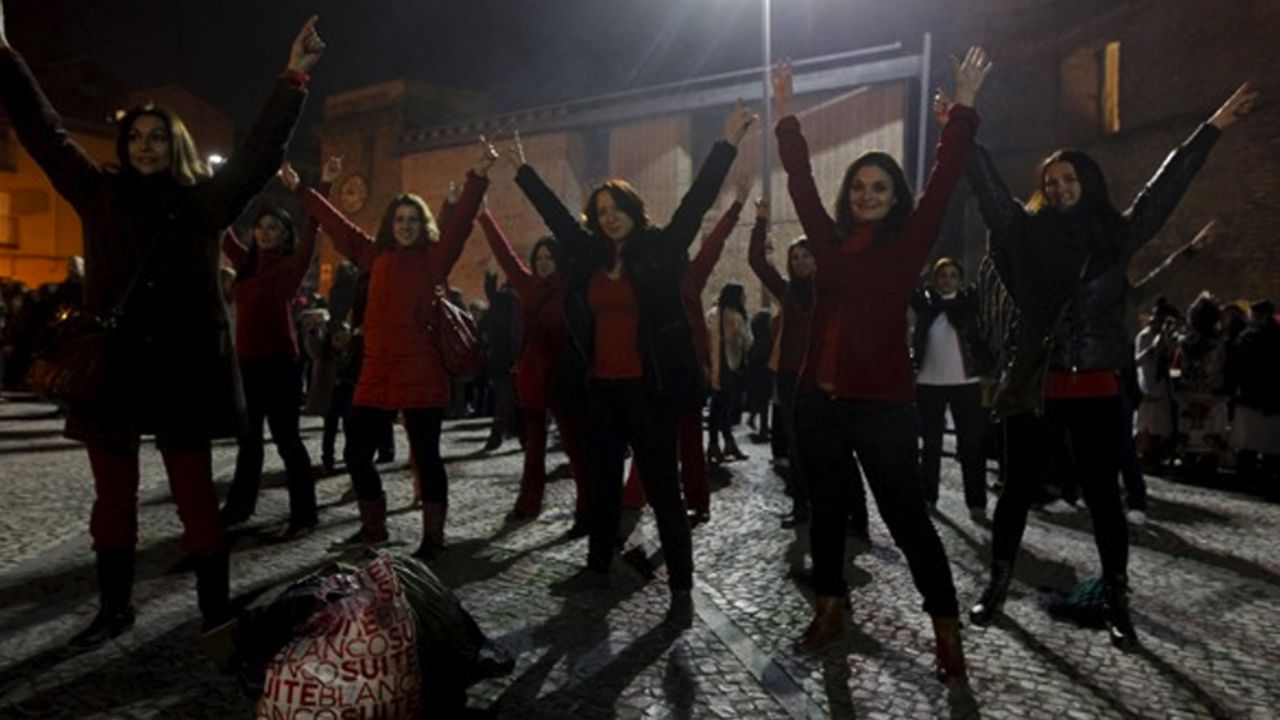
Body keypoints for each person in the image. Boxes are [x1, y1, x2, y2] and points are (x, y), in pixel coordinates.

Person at [0, 8, 324, 646]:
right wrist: (6, 56)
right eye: (137, 136)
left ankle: (214, 609)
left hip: (181, 370)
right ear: (126, 145)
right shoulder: (99, 194)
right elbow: (44, 133)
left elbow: (259, 155)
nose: (145, 144)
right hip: (113, 371)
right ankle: (113, 609)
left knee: (195, 496)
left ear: (173, 145)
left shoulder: (205, 201)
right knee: (112, 502)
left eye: (157, 136)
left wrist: (292, 79)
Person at [963, 77, 1257, 648]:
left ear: (1087, 182)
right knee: (1017, 491)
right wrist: (966, 122)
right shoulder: (1027, 234)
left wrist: (1212, 129)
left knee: (1103, 498)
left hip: (1097, 385)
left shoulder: (1115, 234)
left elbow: (1162, 191)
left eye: (1069, 178)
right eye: (1050, 183)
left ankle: (1118, 597)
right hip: (1040, 386)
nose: (1060, 187)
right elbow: (990, 191)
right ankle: (996, 583)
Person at [771, 48, 990, 680]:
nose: (867, 195)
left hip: (884, 407)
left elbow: (945, 177)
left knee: (908, 521)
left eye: (880, 187)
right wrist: (787, 116)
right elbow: (800, 182)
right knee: (829, 517)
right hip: (818, 403)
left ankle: (945, 630)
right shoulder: (830, 245)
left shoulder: (909, 244)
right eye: (860, 187)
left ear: (895, 198)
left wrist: (966, 107)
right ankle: (831, 608)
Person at [510, 102, 756, 623]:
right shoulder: (591, 257)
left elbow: (696, 202)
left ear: (632, 207)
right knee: (600, 488)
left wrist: (726, 143)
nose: (608, 217)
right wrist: (523, 172)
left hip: (650, 391)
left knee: (663, 491)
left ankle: (682, 593)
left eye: (615, 207)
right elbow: (557, 217)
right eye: (600, 212)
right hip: (602, 390)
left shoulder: (662, 249)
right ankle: (598, 566)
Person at [296, 139, 496, 559]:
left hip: (421, 371)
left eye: (413, 219)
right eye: (399, 219)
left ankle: (433, 539)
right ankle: (375, 528)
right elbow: (336, 226)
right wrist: (308, 189)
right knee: (355, 453)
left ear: (423, 225)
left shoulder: (434, 258)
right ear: (390, 223)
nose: (405, 225)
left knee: (426, 458)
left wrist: (477, 174)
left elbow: (459, 223)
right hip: (377, 372)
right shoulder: (374, 255)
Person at [218, 157, 340, 539]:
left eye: (274, 228)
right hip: (247, 364)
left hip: (280, 364)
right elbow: (220, 228)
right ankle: (240, 506)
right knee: (248, 440)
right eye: (261, 227)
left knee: (287, 439)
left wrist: (324, 184)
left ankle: (304, 512)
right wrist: (216, 184)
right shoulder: (246, 263)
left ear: (285, 236)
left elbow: (313, 227)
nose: (266, 232)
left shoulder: (290, 266)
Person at [619, 186, 746, 527]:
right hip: (652, 366)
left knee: (689, 439)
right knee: (650, 438)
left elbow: (713, 246)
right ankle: (635, 495)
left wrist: (735, 207)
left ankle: (696, 500)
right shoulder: (642, 280)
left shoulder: (692, 277)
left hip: (685, 367)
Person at [476, 210, 591, 532]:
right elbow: (506, 256)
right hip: (532, 377)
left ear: (560, 259)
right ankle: (529, 500)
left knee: (574, 446)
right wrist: (485, 216)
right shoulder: (529, 286)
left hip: (564, 378)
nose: (542, 262)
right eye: (538, 257)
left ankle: (586, 509)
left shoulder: (572, 288)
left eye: (548, 257)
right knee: (534, 446)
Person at [910, 257, 993, 521]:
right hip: (928, 382)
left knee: (971, 445)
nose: (947, 280)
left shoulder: (968, 304)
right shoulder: (926, 304)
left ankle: (976, 501)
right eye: (942, 275)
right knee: (931, 445)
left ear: (960, 279)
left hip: (965, 383)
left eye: (953, 275)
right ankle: (928, 496)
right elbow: (908, 291)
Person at [707, 283, 752, 464]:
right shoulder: (735, 316)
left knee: (718, 406)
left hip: (715, 366)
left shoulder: (712, 313)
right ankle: (716, 445)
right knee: (721, 407)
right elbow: (747, 341)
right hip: (731, 367)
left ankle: (724, 444)